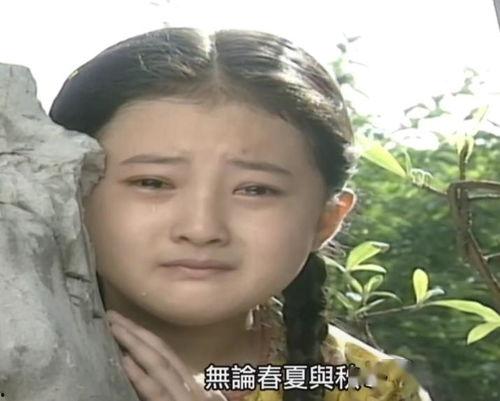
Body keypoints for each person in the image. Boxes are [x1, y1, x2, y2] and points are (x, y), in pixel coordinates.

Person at [49, 27, 432, 401]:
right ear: (69, 196)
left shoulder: (375, 388)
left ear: (325, 220)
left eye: (255, 190)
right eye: (153, 183)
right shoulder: (21, 367)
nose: (201, 228)